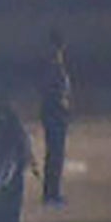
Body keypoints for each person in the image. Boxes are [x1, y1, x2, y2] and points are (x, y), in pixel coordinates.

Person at [36, 32, 72, 205]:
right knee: (55, 155)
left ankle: (51, 192)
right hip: (54, 113)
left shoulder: (53, 66)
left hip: (54, 113)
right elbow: (53, 93)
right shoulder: (54, 67)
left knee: (55, 154)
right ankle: (51, 193)